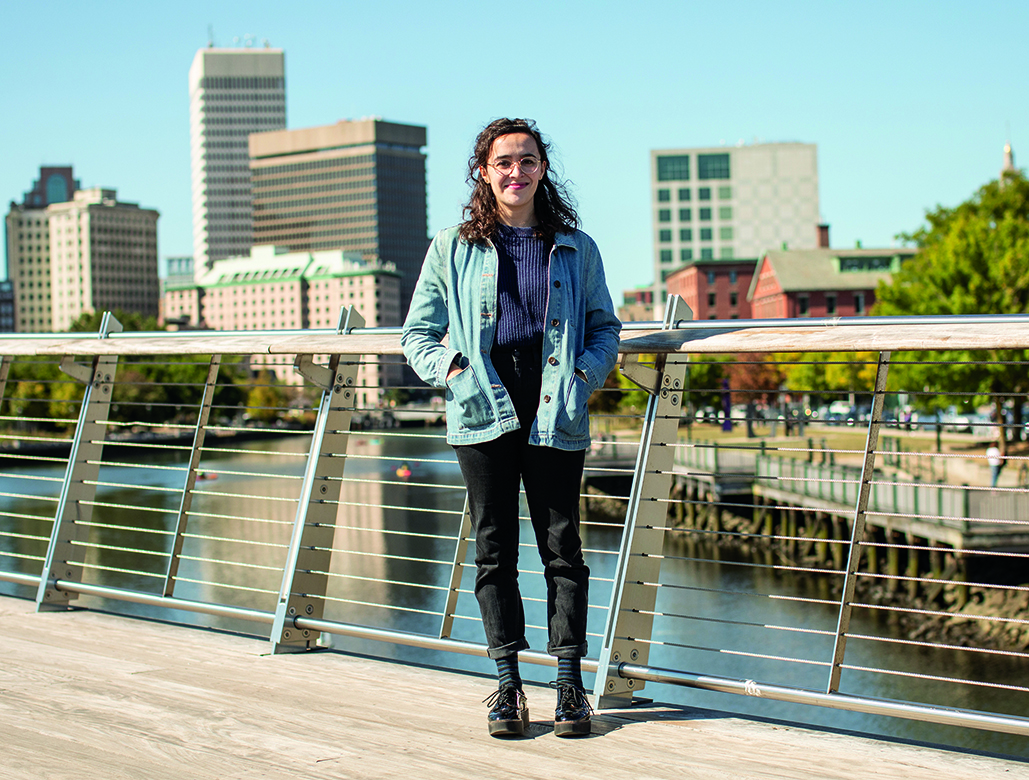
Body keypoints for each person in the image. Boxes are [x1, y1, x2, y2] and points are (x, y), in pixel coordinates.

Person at [402, 118, 621, 738]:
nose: (515, 172)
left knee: (562, 546)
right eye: (503, 163)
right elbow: (416, 332)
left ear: (542, 169)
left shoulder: (577, 247)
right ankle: (507, 685)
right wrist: (454, 370)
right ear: (484, 172)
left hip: (555, 402)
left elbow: (606, 327)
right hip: (482, 402)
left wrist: (582, 376)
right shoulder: (452, 246)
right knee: (494, 548)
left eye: (527, 161)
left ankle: (571, 686)